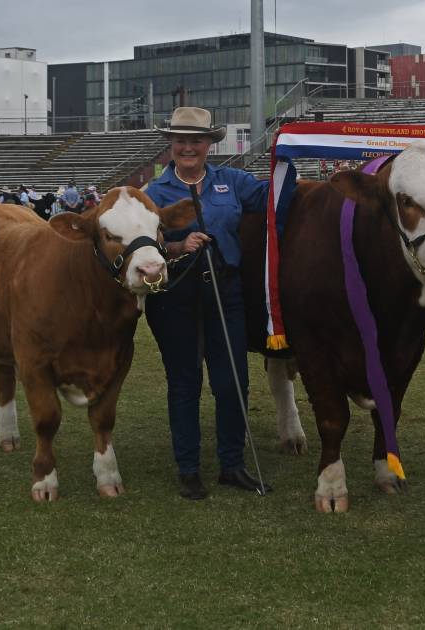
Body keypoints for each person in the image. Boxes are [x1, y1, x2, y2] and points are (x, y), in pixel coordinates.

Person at [144, 106, 285, 500]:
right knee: (185, 383)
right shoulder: (152, 194)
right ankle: (188, 468)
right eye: (181, 140)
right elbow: (140, 246)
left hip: (227, 291)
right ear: (170, 145)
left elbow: (276, 198)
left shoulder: (233, 181)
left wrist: (285, 157)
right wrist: (175, 245)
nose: (188, 147)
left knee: (232, 382)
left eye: (196, 140)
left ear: (209, 144)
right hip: (176, 297)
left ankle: (232, 464)